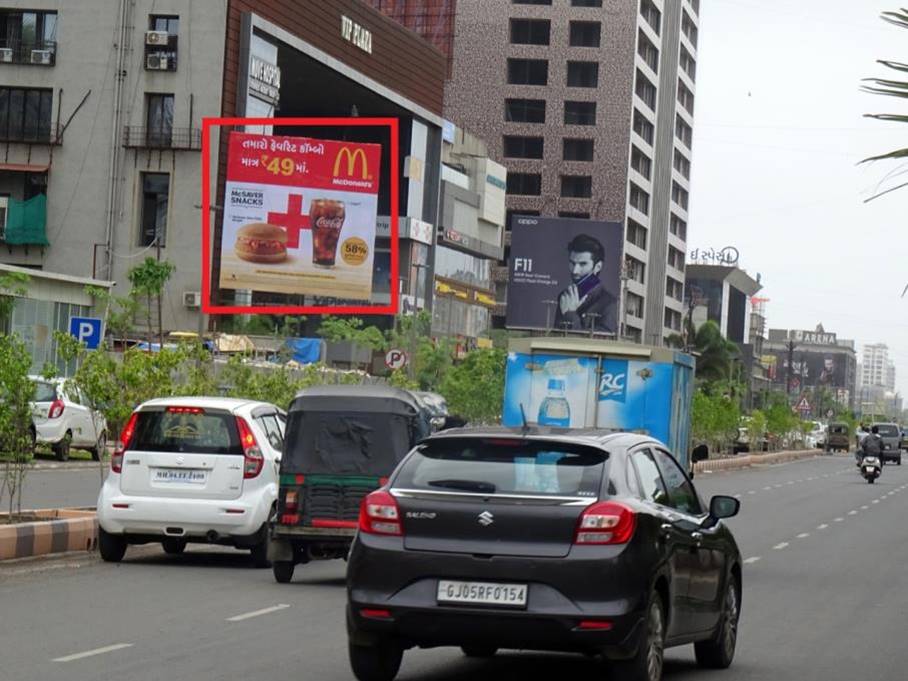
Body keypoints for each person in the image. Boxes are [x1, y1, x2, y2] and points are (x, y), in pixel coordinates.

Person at [553, 233, 616, 333]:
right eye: (572, 263)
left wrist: (570, 314)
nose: (575, 271)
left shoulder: (610, 304)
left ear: (598, 267)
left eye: (582, 264)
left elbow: (600, 344)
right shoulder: (565, 296)